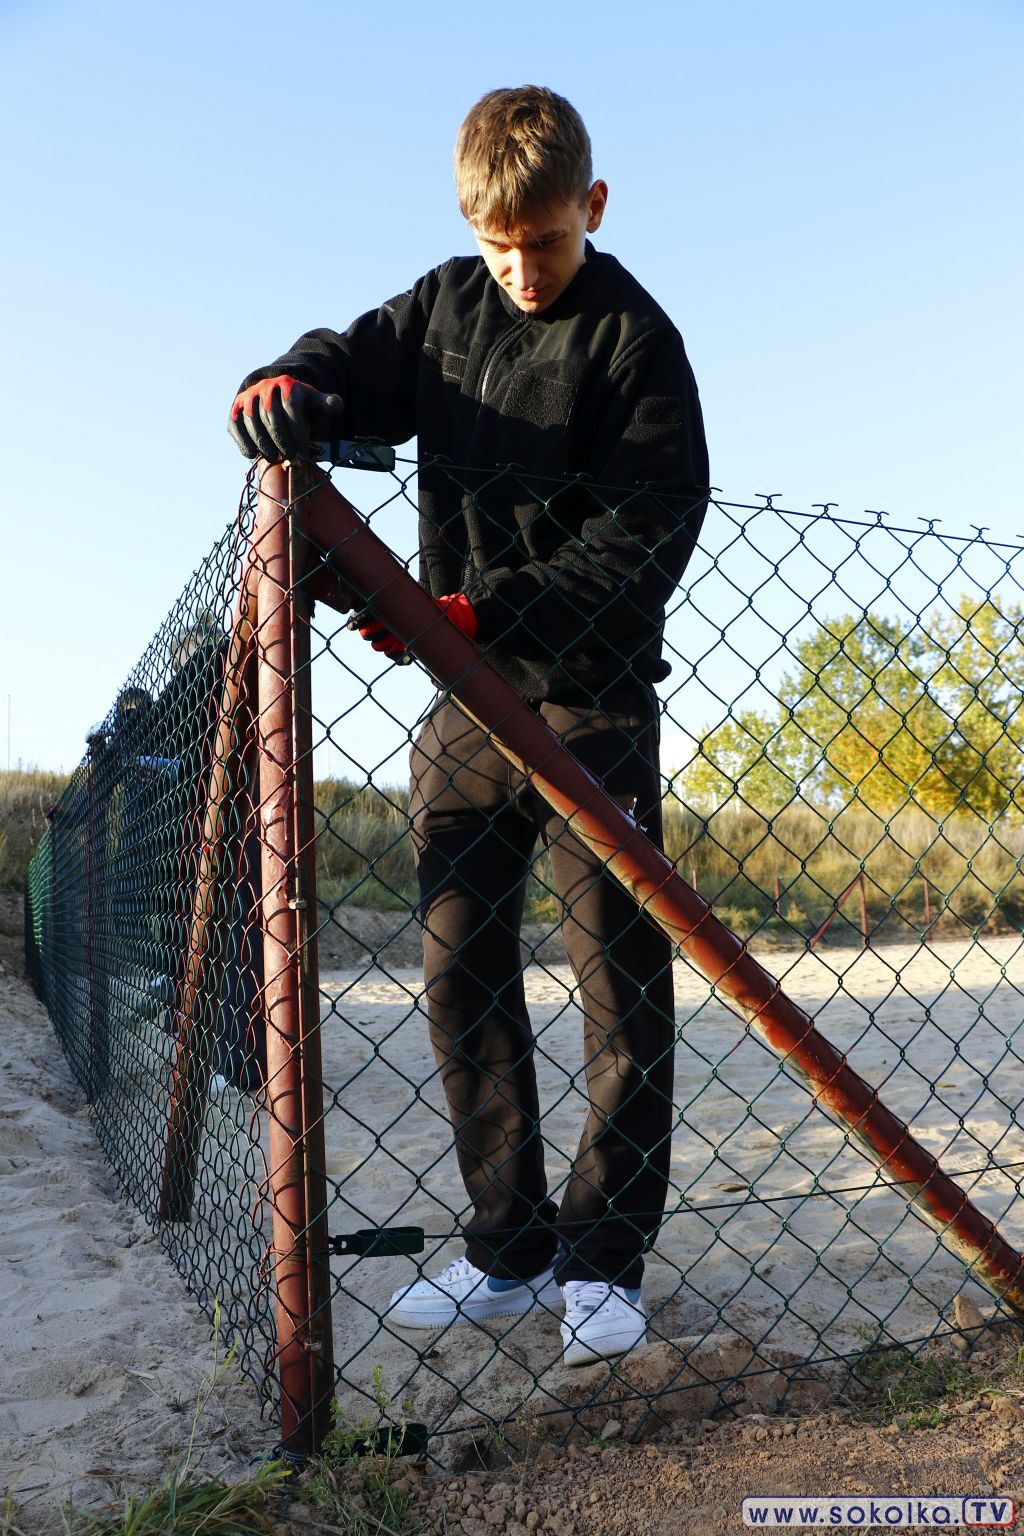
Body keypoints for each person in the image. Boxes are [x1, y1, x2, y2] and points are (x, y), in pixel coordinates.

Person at [228, 85, 709, 1366]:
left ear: (591, 206)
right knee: (455, 974)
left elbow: (646, 538)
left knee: (618, 986)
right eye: (499, 246)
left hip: (591, 698)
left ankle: (603, 1264)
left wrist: (478, 612)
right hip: (463, 703)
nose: (521, 271)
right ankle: (509, 1248)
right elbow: (347, 365)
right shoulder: (447, 306)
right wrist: (289, 381)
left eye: (542, 242)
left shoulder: (635, 342)